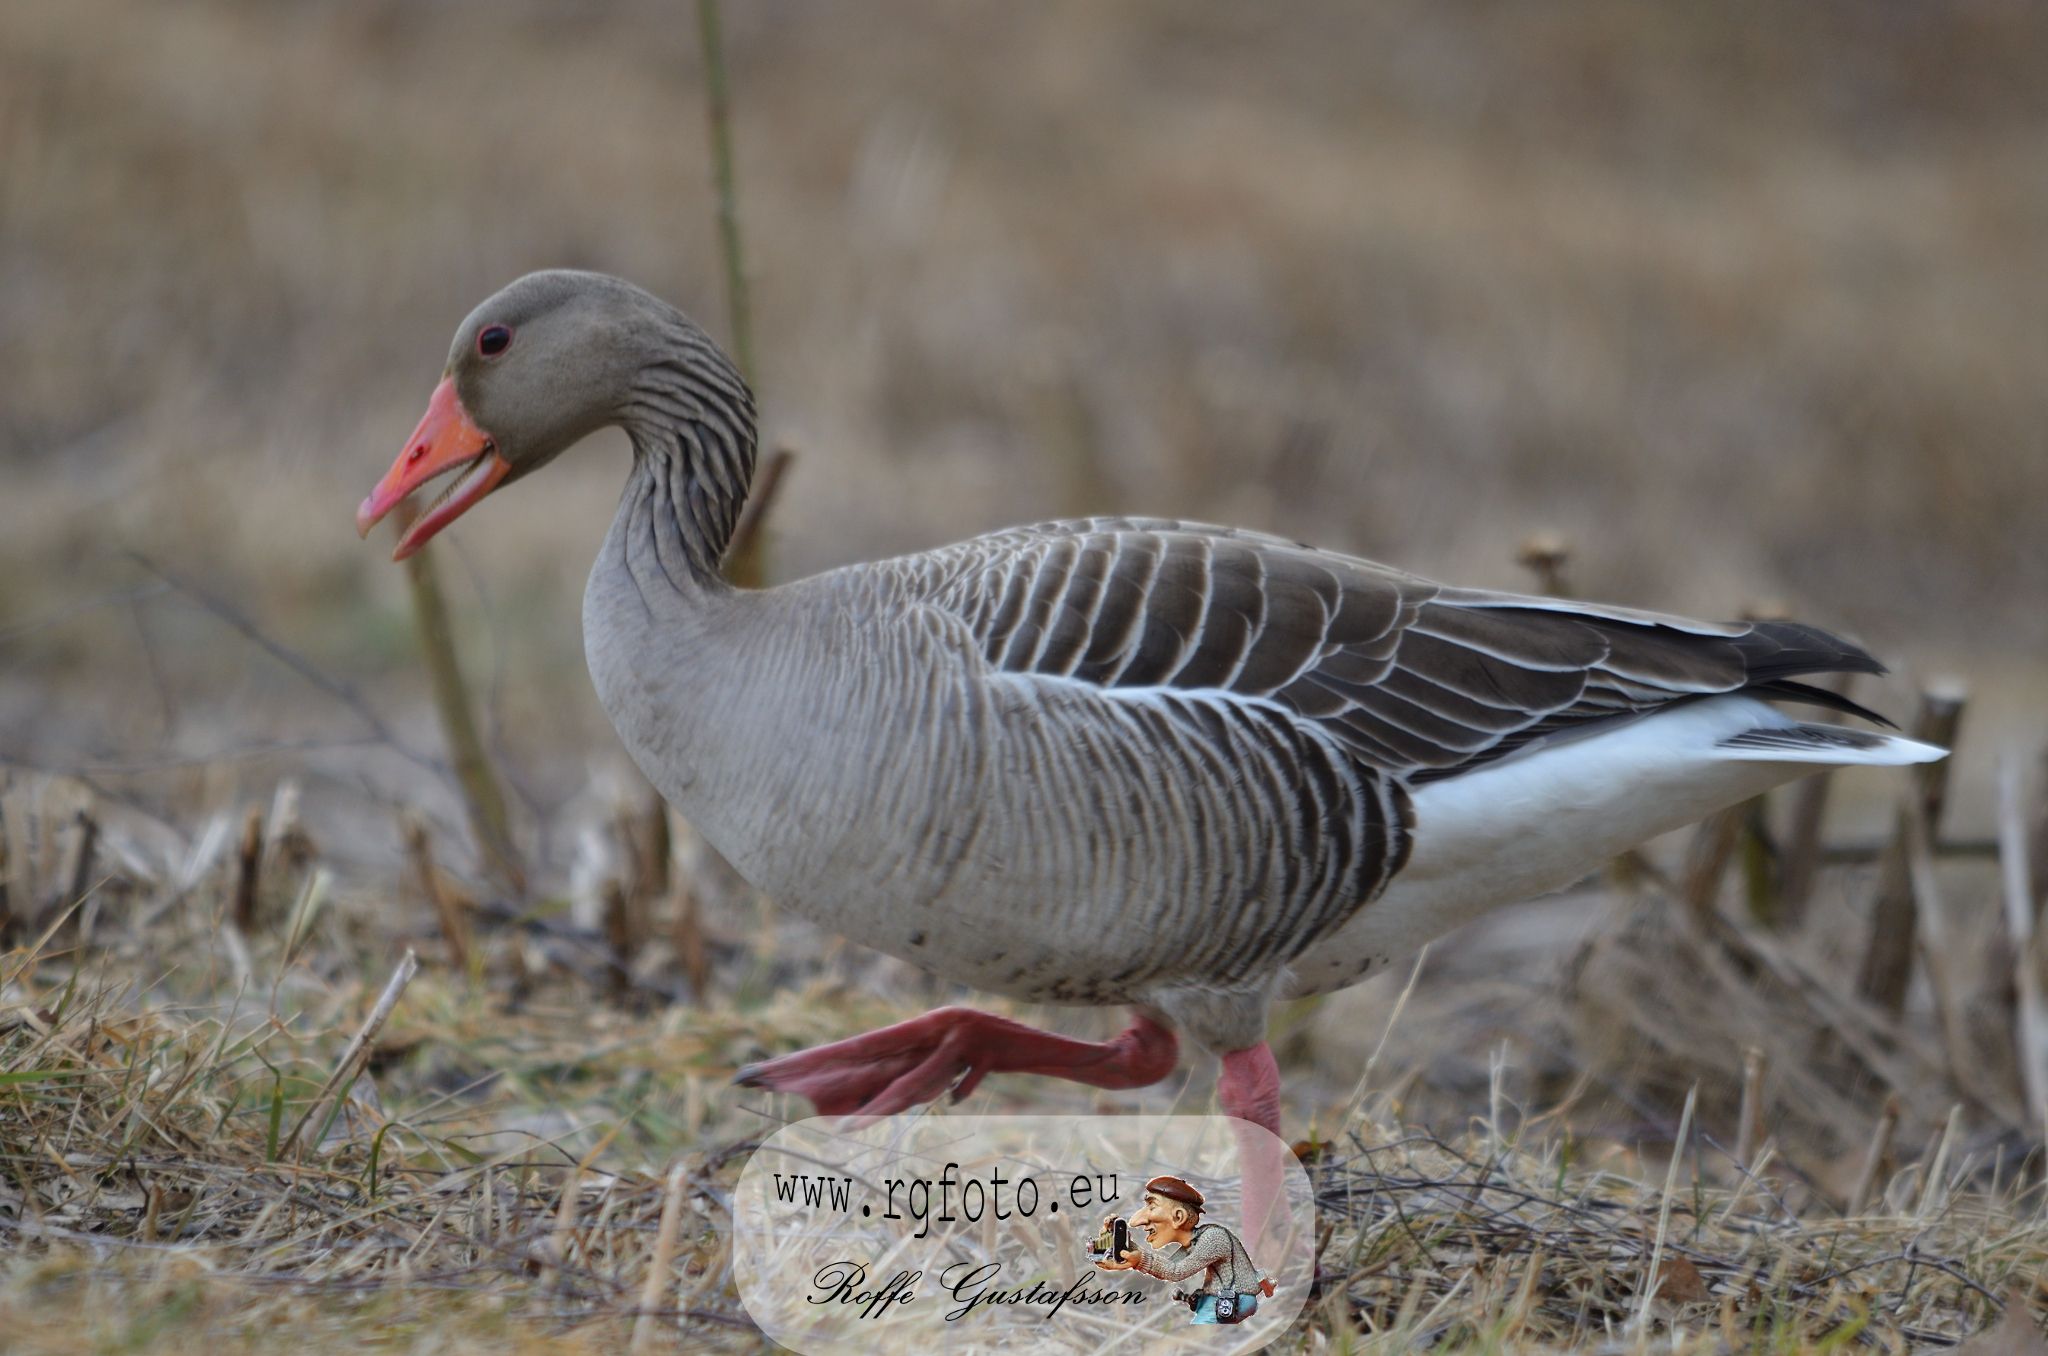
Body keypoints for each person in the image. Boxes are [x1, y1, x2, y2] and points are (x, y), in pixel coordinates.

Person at [1094, 1175, 1273, 1325]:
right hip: (1220, 1299)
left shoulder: (1213, 1238)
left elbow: (1175, 1272)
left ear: (1178, 1216)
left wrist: (1139, 1260)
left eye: (1152, 1207)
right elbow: (1169, 1265)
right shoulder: (1196, 1240)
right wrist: (1126, 1246)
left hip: (1236, 1300)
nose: (1137, 1220)